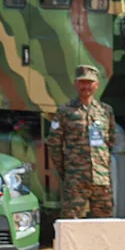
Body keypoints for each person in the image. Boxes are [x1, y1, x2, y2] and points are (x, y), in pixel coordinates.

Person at [46, 64, 116, 220]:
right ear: (75, 84)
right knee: (71, 225)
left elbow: (110, 141)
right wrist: (67, 171)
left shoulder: (105, 111)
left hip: (101, 180)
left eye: (89, 82)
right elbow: (53, 144)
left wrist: (102, 166)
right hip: (75, 180)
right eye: (82, 82)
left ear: (97, 85)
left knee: (104, 225)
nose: (86, 86)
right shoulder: (65, 111)